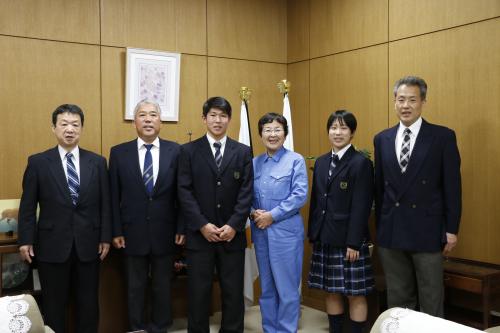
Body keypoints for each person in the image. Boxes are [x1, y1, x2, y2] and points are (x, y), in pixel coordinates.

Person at [18, 104, 111, 333]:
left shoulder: (97, 163)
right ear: (54, 128)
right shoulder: (38, 162)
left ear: (81, 128)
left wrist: (105, 237)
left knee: (88, 304)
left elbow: (105, 205)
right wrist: (25, 240)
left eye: (75, 124)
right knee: (53, 306)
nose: (70, 129)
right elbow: (28, 206)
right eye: (64, 124)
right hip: (51, 245)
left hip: (89, 245)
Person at [374, 76, 462, 317]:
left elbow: (452, 187)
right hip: (392, 230)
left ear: (423, 101)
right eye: (401, 99)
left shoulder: (442, 137)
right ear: (394, 102)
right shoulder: (382, 139)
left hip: (428, 229)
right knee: (399, 298)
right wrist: (381, 226)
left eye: (412, 100)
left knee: (431, 296)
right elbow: (379, 188)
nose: (406, 105)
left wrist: (451, 229)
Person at [177, 96, 253, 333]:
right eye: (213, 115)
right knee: (199, 292)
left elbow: (246, 192)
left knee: (232, 292)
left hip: (232, 235)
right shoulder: (188, 151)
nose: (217, 120)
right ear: (204, 118)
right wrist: (202, 225)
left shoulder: (242, 151)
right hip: (201, 235)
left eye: (222, 116)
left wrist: (233, 225)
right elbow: (184, 191)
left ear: (229, 119)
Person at [109, 99, 184, 332]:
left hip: (166, 232)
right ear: (134, 123)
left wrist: (181, 227)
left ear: (161, 122)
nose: (148, 119)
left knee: (163, 286)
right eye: (142, 115)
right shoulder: (119, 153)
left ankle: (161, 327)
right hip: (131, 233)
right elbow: (113, 196)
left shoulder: (176, 151)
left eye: (153, 115)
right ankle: (137, 328)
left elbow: (182, 195)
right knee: (135, 286)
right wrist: (116, 230)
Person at [307, 110, 374, 333]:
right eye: (334, 128)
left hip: (349, 241)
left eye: (343, 128)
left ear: (352, 133)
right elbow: (316, 201)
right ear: (328, 131)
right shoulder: (322, 161)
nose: (338, 132)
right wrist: (313, 234)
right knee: (331, 291)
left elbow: (361, 205)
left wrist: (354, 242)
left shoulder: (360, 163)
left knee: (355, 293)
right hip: (325, 236)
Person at [251, 112, 308, 333]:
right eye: (267, 130)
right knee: (266, 287)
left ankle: (285, 330)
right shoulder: (254, 163)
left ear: (285, 134)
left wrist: (271, 215)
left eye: (277, 130)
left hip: (286, 233)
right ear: (260, 134)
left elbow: (299, 195)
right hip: (261, 232)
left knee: (287, 288)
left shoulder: (296, 160)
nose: (272, 134)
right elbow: (245, 195)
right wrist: (254, 213)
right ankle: (269, 328)